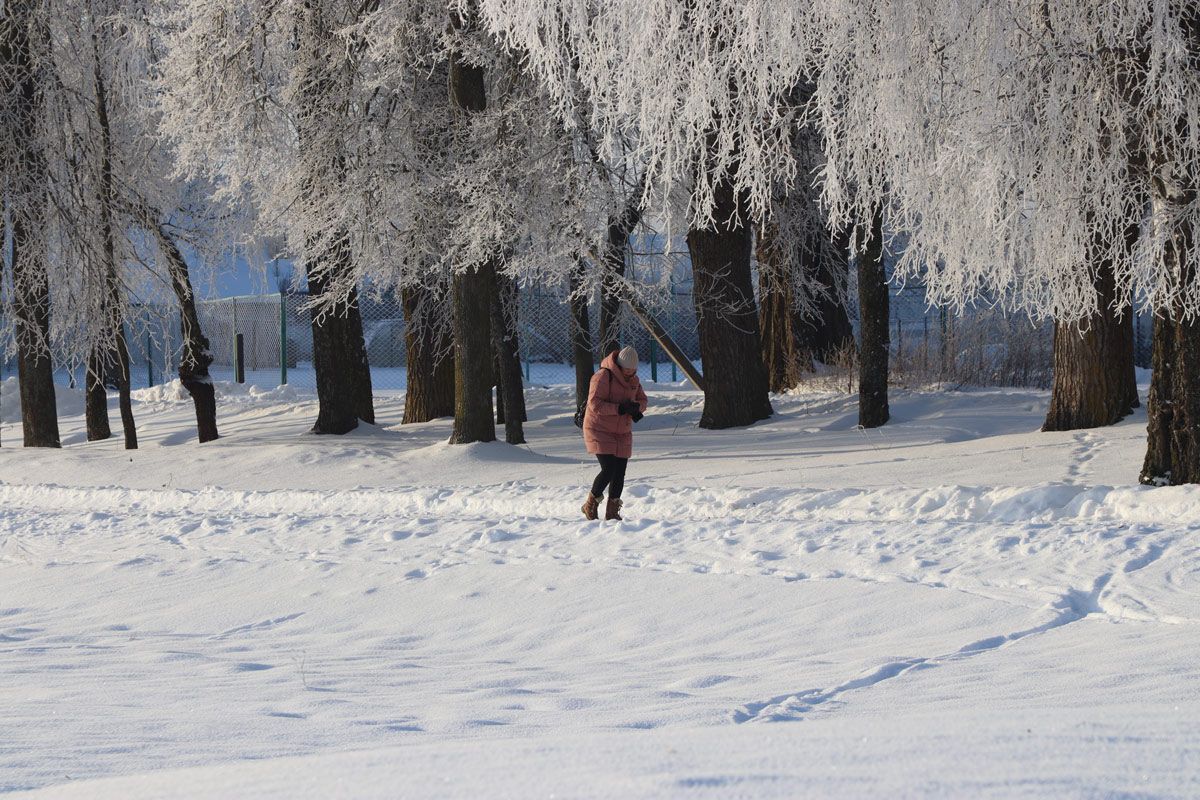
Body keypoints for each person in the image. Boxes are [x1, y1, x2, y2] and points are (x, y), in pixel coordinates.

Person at [581, 345, 648, 521]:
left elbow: (643, 400)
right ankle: (591, 503)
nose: (630, 374)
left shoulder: (634, 380)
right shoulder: (603, 376)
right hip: (599, 428)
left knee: (620, 472)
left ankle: (612, 511)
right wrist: (619, 408)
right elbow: (594, 403)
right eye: (627, 370)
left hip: (622, 431)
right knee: (609, 468)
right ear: (619, 366)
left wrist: (636, 408)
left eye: (633, 370)